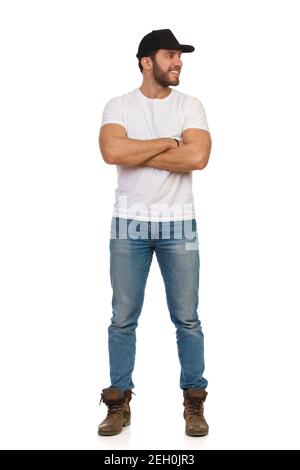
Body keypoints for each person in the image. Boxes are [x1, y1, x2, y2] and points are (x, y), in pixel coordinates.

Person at [97, 29, 212, 437]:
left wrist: (138, 150)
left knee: (188, 320)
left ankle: (194, 402)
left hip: (179, 222)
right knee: (122, 320)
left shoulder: (190, 106)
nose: (178, 62)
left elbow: (197, 157)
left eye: (180, 56)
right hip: (129, 224)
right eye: (170, 55)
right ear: (147, 61)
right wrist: (167, 143)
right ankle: (118, 403)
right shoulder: (119, 105)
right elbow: (112, 152)